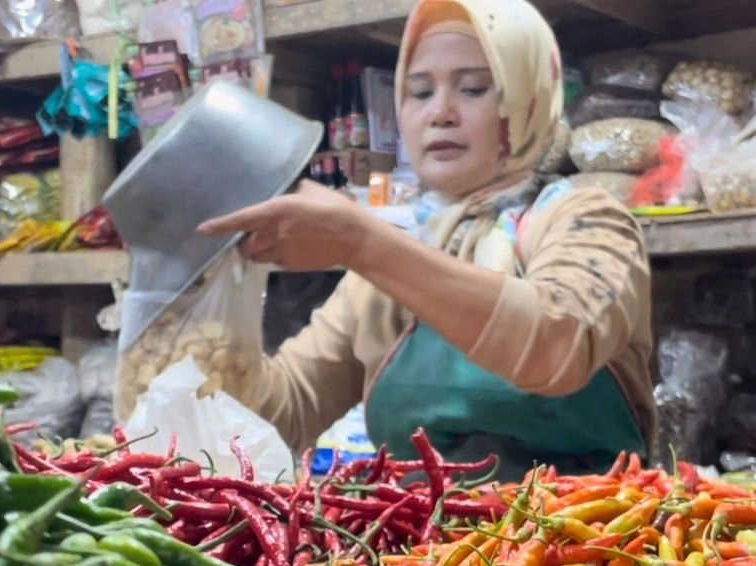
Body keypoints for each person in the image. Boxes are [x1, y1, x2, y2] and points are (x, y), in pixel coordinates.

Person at [197, 0, 655, 478]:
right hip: (425, 523)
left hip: (589, 518)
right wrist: (204, 312)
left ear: (530, 98)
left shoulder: (585, 220)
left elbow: (556, 347)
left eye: (473, 88)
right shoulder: (381, 272)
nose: (440, 113)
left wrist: (363, 244)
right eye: (419, 92)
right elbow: (288, 412)